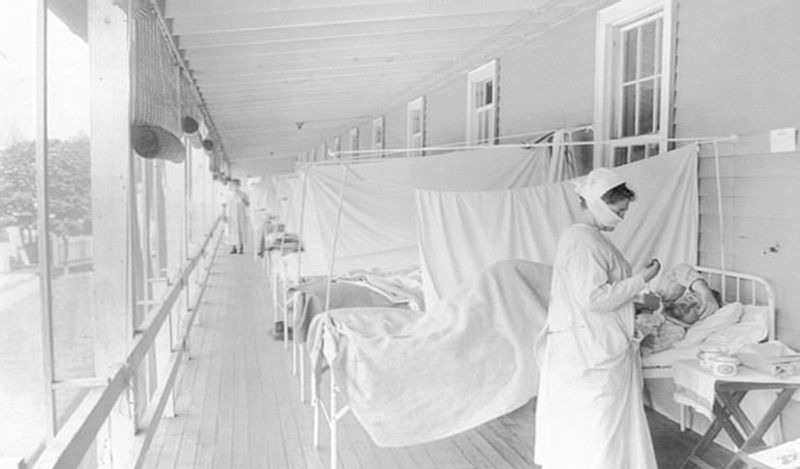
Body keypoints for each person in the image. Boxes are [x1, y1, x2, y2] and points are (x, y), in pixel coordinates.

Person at [534, 167, 661, 469]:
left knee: (598, 424)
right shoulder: (583, 242)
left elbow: (598, 292)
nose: (622, 218)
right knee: (597, 424)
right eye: (619, 211)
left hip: (590, 340)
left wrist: (635, 302)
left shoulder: (587, 238)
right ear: (599, 205)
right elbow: (593, 298)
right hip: (590, 346)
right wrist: (641, 279)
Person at [635, 263, 721, 355]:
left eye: (697, 308)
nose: (688, 305)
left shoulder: (674, 332)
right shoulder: (664, 298)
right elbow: (676, 270)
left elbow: (643, 349)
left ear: (701, 318)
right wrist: (704, 291)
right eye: (690, 298)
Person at [225, 179, 250, 254]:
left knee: (241, 230)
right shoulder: (228, 194)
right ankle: (234, 248)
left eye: (237, 184)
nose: (235, 186)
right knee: (232, 231)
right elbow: (224, 205)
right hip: (231, 216)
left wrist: (243, 200)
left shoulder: (243, 194)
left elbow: (248, 204)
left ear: (239, 185)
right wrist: (224, 215)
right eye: (234, 184)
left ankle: (241, 248)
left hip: (241, 215)